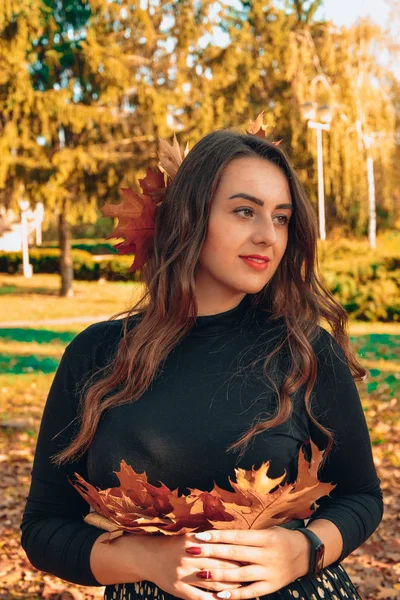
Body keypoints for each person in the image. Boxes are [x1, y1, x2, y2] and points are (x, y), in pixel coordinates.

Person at [21, 125, 383, 600]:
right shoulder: (98, 356)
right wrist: (147, 560)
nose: (267, 236)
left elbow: (361, 496)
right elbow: (46, 527)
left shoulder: (304, 350)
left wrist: (302, 549)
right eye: (244, 211)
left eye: (281, 218)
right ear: (189, 217)